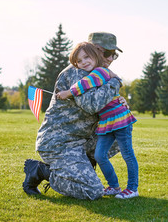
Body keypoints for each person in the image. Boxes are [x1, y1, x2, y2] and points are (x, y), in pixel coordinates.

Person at [23, 32, 124, 200]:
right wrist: (116, 82)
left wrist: (119, 103)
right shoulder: (79, 73)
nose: (110, 58)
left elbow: (103, 106)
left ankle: (84, 169)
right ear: (95, 50)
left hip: (79, 141)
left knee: (119, 130)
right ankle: (40, 170)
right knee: (93, 191)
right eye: (107, 53)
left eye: (114, 55)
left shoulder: (99, 75)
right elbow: (92, 105)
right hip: (59, 143)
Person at [57, 42, 139, 199]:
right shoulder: (96, 73)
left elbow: (84, 84)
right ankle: (114, 186)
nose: (83, 63)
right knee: (100, 155)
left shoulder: (100, 71)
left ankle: (132, 188)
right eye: (79, 61)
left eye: (86, 57)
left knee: (128, 154)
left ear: (95, 56)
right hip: (107, 122)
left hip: (120, 119)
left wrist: (69, 92)